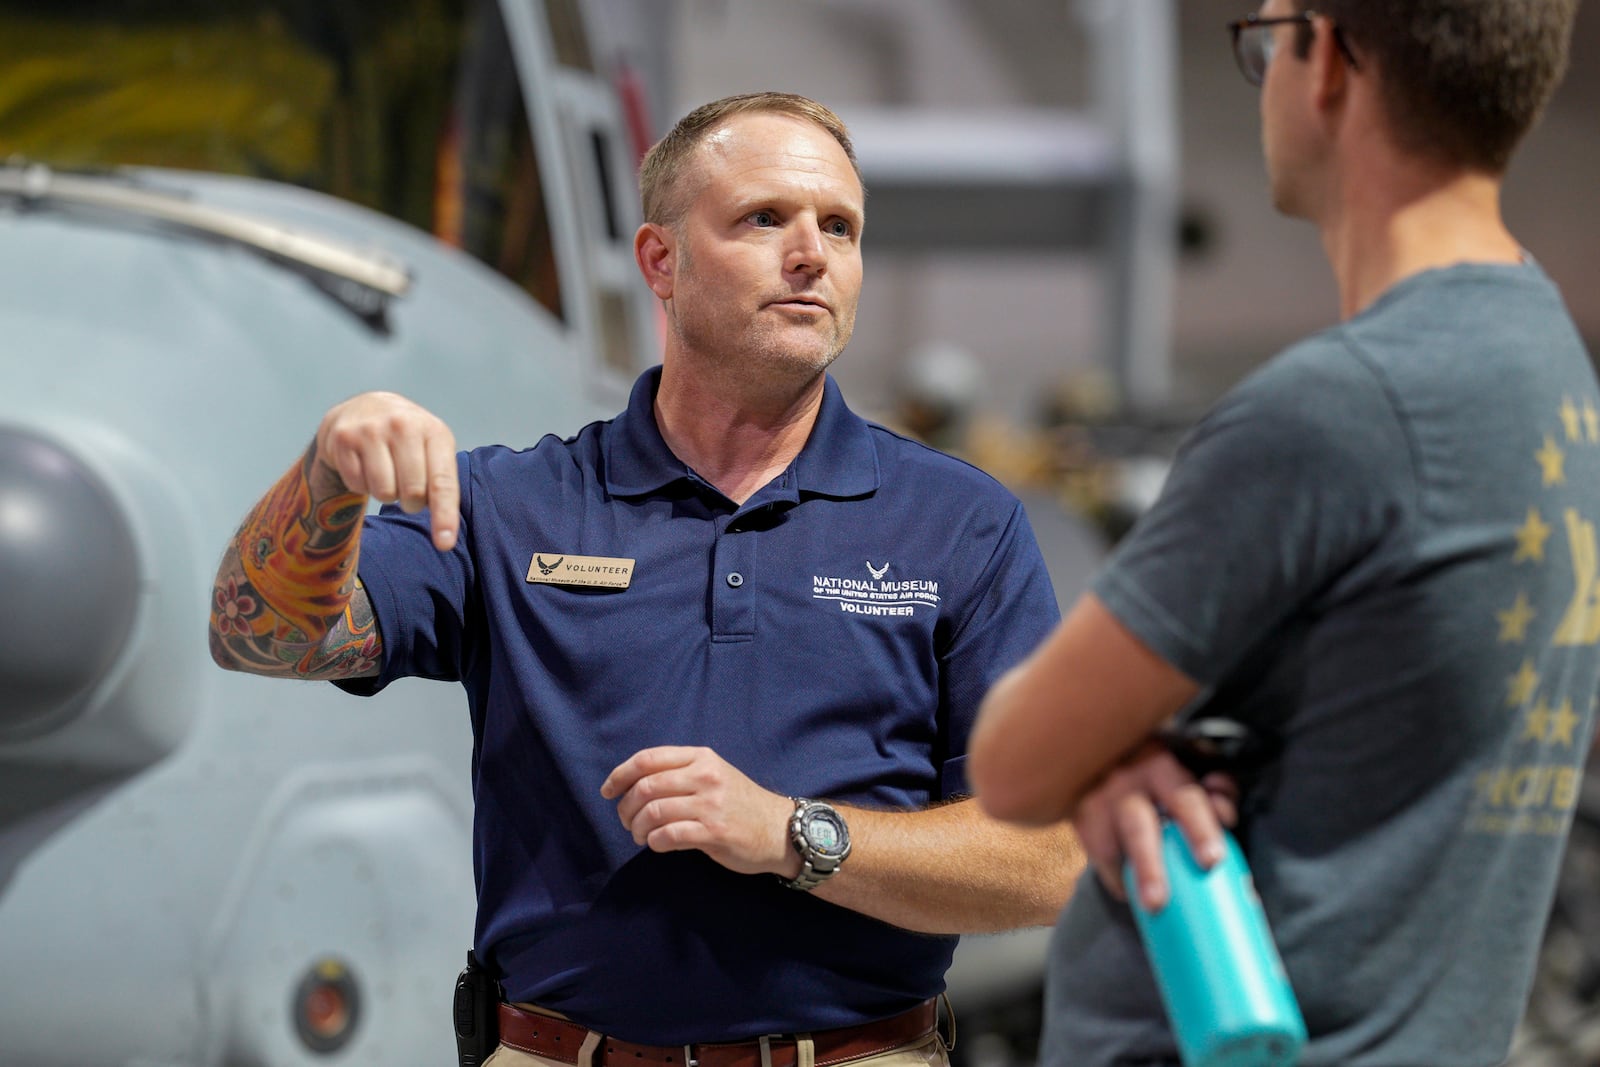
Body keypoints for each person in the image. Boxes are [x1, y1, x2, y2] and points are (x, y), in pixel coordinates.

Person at [208, 91, 1080, 1065]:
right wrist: (325, 477)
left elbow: (1046, 860)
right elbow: (261, 637)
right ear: (660, 262)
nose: (812, 252)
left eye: (840, 226)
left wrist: (791, 832)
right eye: (764, 218)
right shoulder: (510, 504)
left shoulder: (957, 522)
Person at [967, 2, 1596, 1065]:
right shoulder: (1553, 374)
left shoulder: (1335, 410)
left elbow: (1013, 762)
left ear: (1329, 59)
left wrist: (1099, 749)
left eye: (1264, 39)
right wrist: (1130, 749)